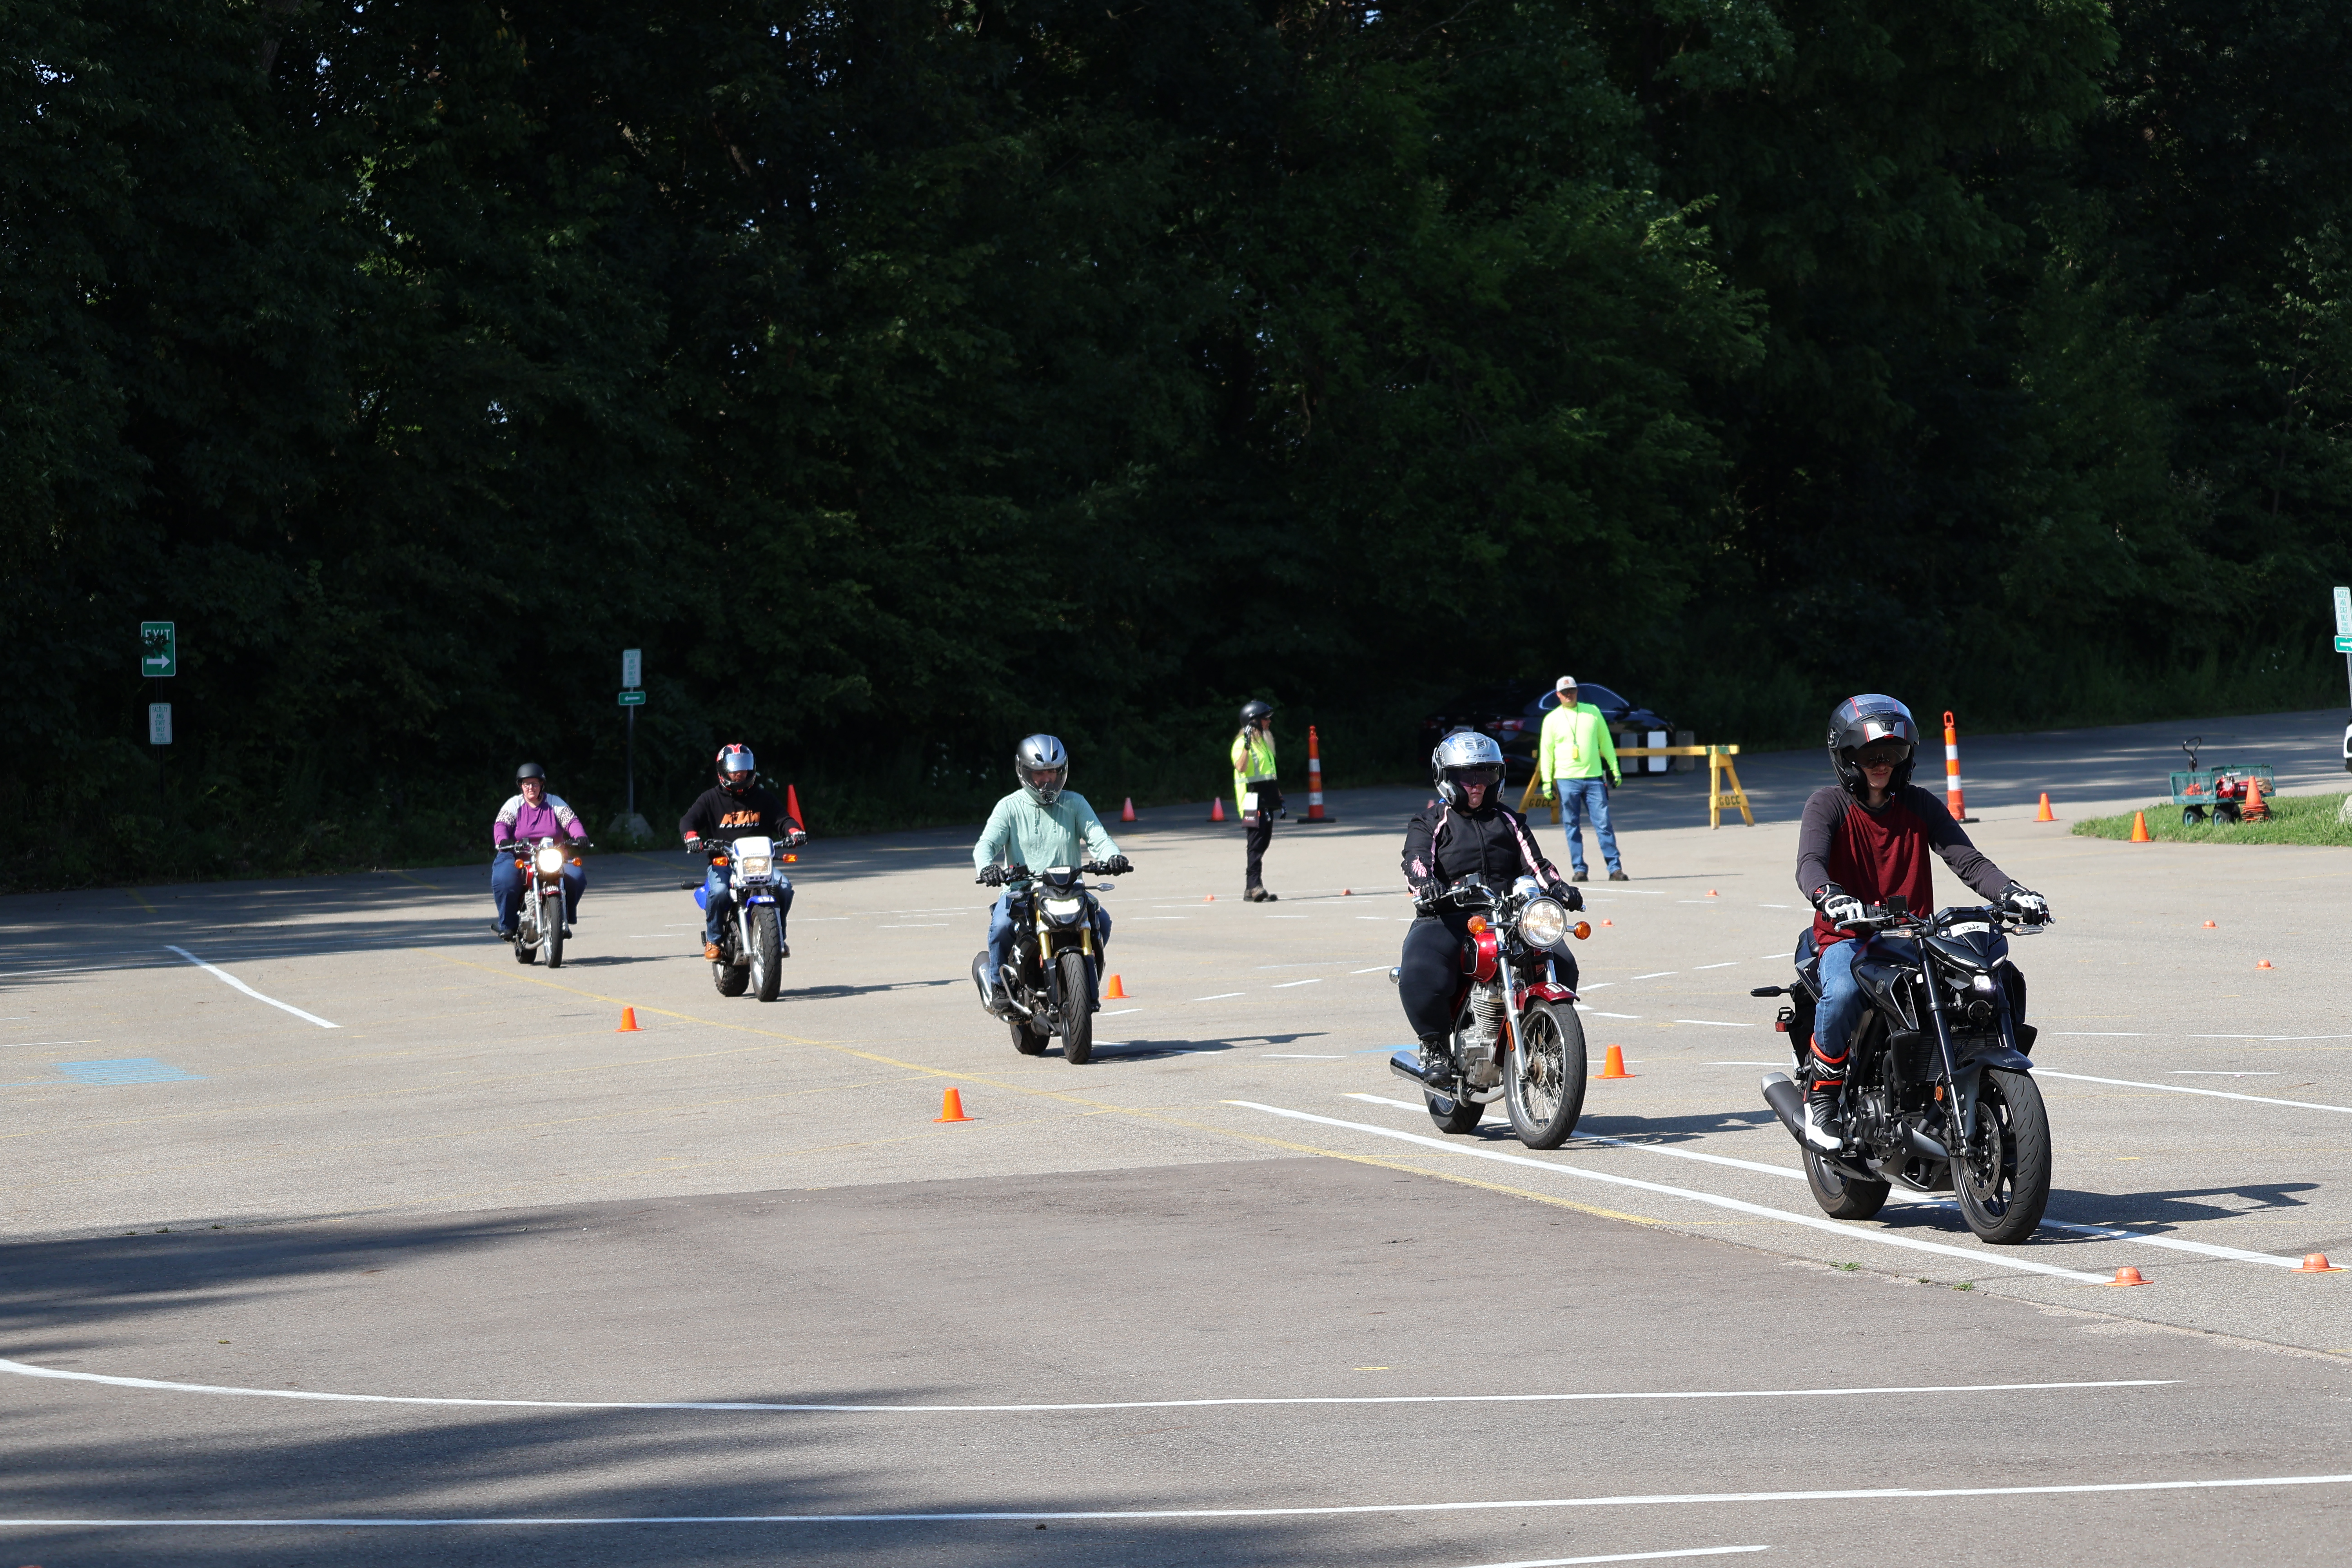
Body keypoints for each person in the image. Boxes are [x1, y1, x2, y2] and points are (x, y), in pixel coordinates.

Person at [1796, 695, 2051, 1150]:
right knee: (1845, 992)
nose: (1881, 764)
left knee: (1995, 979)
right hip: (1849, 938)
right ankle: (1823, 1101)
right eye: (1870, 755)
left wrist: (2013, 893)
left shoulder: (1920, 805)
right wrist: (1829, 896)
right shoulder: (1827, 805)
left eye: (1891, 755)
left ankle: (1964, 1083)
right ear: (1847, 757)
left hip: (1914, 938)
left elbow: (1967, 860)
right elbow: (1810, 863)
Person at [1396, 731, 1583, 1089]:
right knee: (1421, 968)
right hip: (1448, 915)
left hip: (1508, 916)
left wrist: (1558, 887)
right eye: (1467, 778)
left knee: (1562, 958)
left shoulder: (1509, 820)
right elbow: (1416, 861)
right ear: (1447, 779)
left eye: (1485, 776)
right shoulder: (1431, 822)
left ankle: (1546, 1035)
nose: (1477, 786)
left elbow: (1536, 865)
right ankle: (1435, 1046)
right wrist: (1427, 886)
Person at [973, 734, 1132, 1013]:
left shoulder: (1075, 803)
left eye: (1052, 772)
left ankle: (1080, 977)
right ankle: (999, 985)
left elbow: (1098, 837)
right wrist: (987, 868)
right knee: (1000, 927)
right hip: (1021, 891)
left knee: (1102, 922)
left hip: (1068, 888)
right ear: (1024, 772)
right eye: (1039, 773)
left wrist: (1113, 857)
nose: (1047, 780)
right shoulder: (1009, 807)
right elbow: (986, 845)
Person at [680, 744, 804, 962]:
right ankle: (714, 939)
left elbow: (783, 820)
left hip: (759, 861)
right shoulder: (710, 799)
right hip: (724, 863)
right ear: (722, 770)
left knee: (784, 888)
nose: (741, 773)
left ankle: (779, 937)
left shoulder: (763, 798)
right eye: (735, 768)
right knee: (718, 892)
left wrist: (794, 832)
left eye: (745, 768)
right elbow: (689, 821)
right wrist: (691, 837)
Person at [1537, 675, 1626, 882]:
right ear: (1558, 695)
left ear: (1577, 692)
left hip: (1594, 778)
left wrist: (1615, 769)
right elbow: (1546, 752)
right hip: (1566, 779)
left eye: (1572, 691)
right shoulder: (1551, 720)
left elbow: (1606, 743)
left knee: (1603, 823)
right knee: (1572, 825)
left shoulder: (1593, 712)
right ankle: (1579, 869)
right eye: (1565, 692)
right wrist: (1547, 781)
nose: (1569, 695)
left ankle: (1615, 868)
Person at [490, 763, 588, 938]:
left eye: (535, 783)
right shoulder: (514, 804)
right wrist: (503, 840)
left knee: (577, 877)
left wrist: (580, 836)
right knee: (504, 880)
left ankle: (563, 918)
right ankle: (507, 925)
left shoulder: (554, 803)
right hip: (518, 855)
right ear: (521, 786)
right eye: (526, 784)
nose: (531, 788)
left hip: (552, 855)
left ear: (542, 785)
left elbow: (571, 822)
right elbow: (501, 825)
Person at [1230, 699, 1281, 900]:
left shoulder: (1265, 743)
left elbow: (1269, 772)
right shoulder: (1242, 744)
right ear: (1254, 722)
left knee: (1264, 841)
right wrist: (1247, 746)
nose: (1269, 722)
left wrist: (1279, 795)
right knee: (1256, 843)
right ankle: (1255, 886)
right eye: (1265, 718)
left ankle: (1250, 890)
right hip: (1251, 800)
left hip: (1267, 797)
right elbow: (1241, 768)